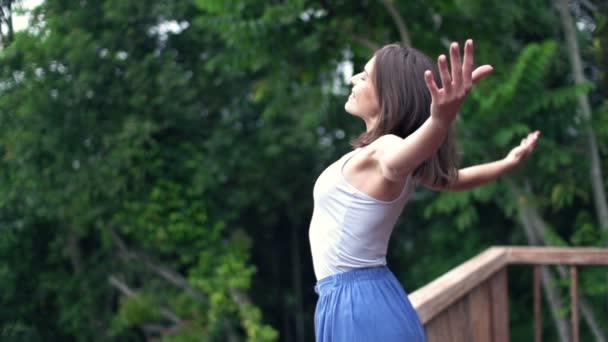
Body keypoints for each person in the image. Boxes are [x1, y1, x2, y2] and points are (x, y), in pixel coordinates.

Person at [308, 39, 539, 342]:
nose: (354, 78)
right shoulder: (392, 157)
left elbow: (400, 160)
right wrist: (507, 163)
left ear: (391, 94)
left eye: (364, 76)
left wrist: (440, 120)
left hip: (358, 304)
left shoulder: (388, 149)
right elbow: (455, 179)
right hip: (359, 297)